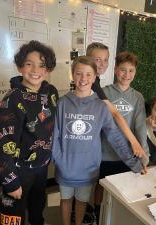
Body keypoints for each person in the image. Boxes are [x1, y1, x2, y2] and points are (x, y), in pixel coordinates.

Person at [51, 56, 144, 225]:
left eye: (88, 75)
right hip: (65, 167)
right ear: (72, 75)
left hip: (88, 169)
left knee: (81, 202)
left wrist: (135, 164)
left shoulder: (101, 106)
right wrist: (58, 160)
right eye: (79, 73)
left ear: (94, 78)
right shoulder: (63, 103)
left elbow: (115, 136)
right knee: (65, 200)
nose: (83, 79)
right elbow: (54, 136)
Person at [0, 40, 58, 225]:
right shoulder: (12, 100)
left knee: (38, 208)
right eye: (29, 64)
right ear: (20, 66)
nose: (35, 70)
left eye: (42, 65)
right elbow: (2, 143)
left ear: (48, 70)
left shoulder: (51, 92)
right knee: (14, 214)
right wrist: (10, 180)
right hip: (18, 170)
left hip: (41, 167)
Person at [86, 42, 147, 159]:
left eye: (105, 60)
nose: (127, 74)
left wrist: (142, 151)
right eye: (97, 59)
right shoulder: (98, 89)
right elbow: (113, 114)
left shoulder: (138, 97)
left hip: (128, 154)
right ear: (115, 70)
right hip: (103, 153)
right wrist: (135, 143)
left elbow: (140, 127)